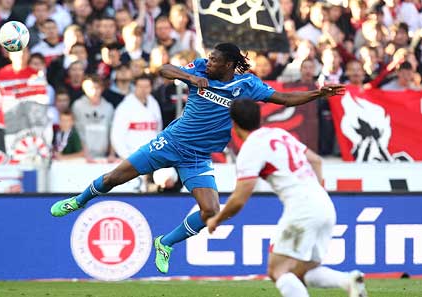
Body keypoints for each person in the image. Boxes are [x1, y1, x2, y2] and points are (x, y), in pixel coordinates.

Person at [50, 42, 344, 274]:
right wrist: (190, 76)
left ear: (229, 65)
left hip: (198, 157)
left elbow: (283, 98)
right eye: (209, 59)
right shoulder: (201, 68)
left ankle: (165, 243)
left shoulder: (248, 85)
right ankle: (79, 201)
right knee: (114, 177)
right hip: (170, 142)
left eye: (215, 61)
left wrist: (318, 94)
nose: (209, 62)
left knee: (210, 211)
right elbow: (164, 68)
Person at [206, 100, 367, 297]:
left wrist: (217, 219)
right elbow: (316, 160)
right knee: (303, 270)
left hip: (303, 209)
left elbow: (240, 197)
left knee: (278, 271)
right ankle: (348, 281)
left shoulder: (251, 148)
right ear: (259, 117)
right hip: (323, 203)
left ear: (234, 123)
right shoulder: (279, 134)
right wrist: (315, 193)